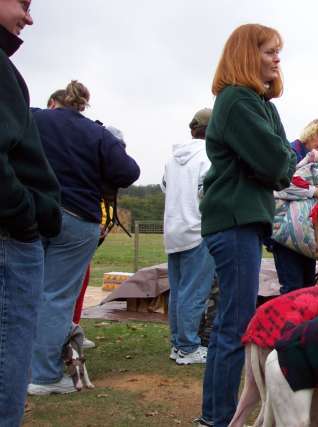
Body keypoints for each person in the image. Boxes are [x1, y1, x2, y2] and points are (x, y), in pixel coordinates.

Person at [197, 24, 296, 427]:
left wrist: (277, 162)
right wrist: (276, 163)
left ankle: (218, 416)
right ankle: (216, 419)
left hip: (246, 221)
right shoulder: (237, 100)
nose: (277, 58)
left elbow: (283, 163)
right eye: (270, 51)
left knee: (235, 320)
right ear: (247, 54)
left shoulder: (261, 103)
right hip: (234, 221)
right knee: (234, 324)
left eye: (279, 52)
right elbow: (277, 163)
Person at [28, 80, 140, 395]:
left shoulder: (34, 118)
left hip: (31, 213)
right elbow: (128, 172)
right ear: (82, 106)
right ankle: (44, 376)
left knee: (23, 290)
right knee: (57, 296)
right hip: (77, 218)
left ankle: (17, 365)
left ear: (57, 102)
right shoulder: (97, 133)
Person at [0, 1, 62, 423]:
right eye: (21, 2)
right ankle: (46, 370)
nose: (29, 16)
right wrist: (26, 216)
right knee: (8, 354)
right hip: (11, 235)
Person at [161, 107, 216, 365]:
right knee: (195, 292)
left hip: (174, 230)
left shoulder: (173, 158)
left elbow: (164, 186)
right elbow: (207, 191)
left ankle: (177, 344)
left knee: (178, 291)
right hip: (198, 229)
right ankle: (188, 347)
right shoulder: (210, 155)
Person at [271, 118, 318, 294]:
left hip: (304, 233)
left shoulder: (313, 160)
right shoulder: (289, 153)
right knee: (293, 287)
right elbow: (279, 186)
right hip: (285, 231)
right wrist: (313, 191)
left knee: (307, 287)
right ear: (310, 133)